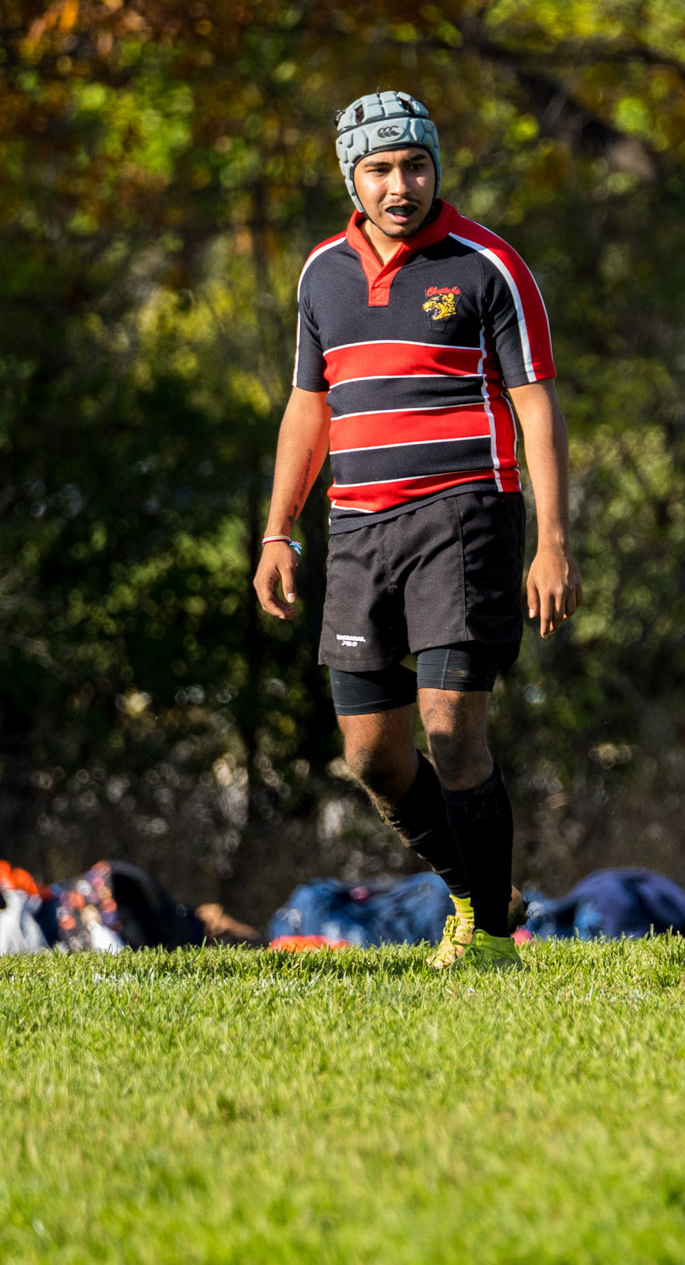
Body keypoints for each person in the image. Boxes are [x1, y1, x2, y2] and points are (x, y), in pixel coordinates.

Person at [253, 91, 580, 972]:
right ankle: (483, 893)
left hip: (463, 519)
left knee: (451, 726)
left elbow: (536, 405)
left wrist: (552, 541)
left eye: (415, 165)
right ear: (351, 180)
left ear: (436, 167)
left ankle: (493, 943)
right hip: (357, 532)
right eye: (381, 170)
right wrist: (278, 531)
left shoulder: (488, 265)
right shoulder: (321, 274)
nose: (401, 185)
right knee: (371, 755)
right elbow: (308, 409)